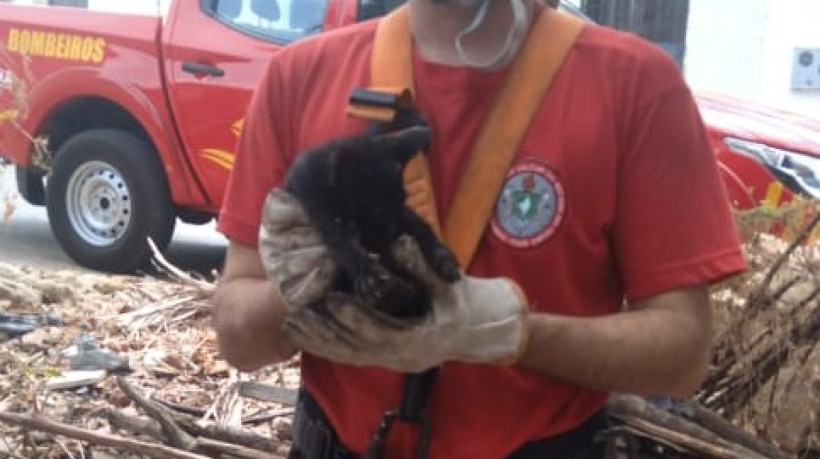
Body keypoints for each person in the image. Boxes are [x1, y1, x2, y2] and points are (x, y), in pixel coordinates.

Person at [211, 0, 747, 457]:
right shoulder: (300, 76)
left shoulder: (634, 86)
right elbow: (237, 337)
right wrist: (306, 286)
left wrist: (508, 332)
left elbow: (682, 354)